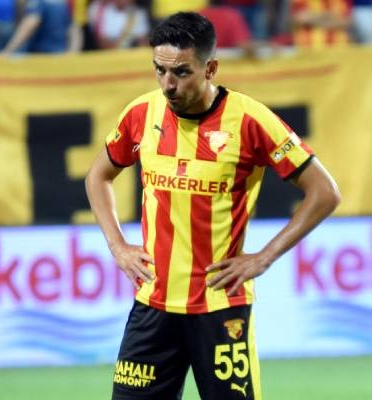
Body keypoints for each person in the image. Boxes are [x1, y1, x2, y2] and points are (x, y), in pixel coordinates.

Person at [85, 12, 340, 400]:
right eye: (159, 70)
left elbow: (324, 192)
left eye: (181, 72)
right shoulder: (141, 113)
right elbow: (98, 176)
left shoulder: (250, 120)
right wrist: (117, 246)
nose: (168, 85)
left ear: (210, 68)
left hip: (221, 307)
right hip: (153, 306)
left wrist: (264, 257)